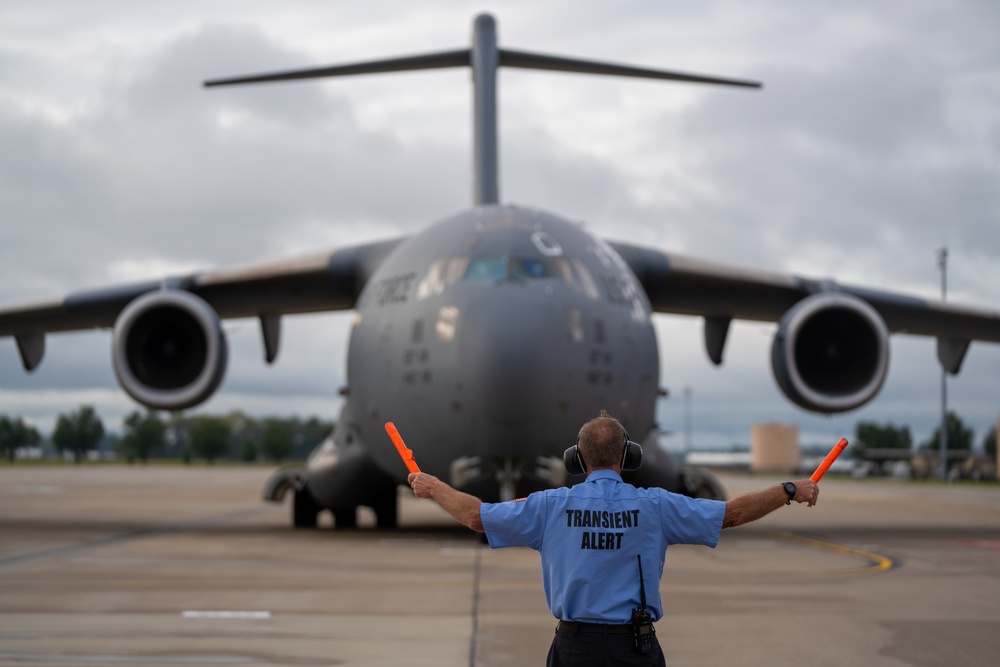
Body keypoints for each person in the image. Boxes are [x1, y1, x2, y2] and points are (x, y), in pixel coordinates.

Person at [408, 410, 820, 666]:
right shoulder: (656, 506)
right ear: (628, 457)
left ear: (577, 458)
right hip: (634, 649)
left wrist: (434, 487)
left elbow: (477, 518)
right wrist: (786, 490)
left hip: (574, 648)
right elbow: (730, 514)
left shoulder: (550, 506)